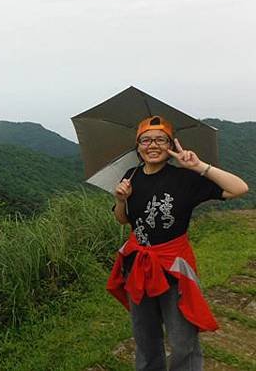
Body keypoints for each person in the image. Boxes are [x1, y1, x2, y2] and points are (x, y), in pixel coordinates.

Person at [106, 115, 249, 371]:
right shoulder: (132, 175)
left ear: (171, 145)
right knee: (145, 337)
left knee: (183, 340)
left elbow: (239, 188)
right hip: (137, 266)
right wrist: (119, 200)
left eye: (161, 139)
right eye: (146, 140)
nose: (153, 145)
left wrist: (198, 166)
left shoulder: (186, 179)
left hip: (173, 267)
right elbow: (123, 220)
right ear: (138, 146)